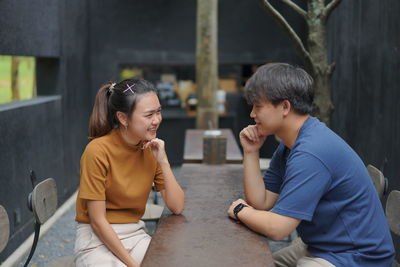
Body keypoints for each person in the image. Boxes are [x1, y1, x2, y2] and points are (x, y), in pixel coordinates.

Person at [228, 63, 395, 266]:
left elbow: (278, 229)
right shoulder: (292, 144)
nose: (252, 114)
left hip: (358, 258)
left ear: (285, 107)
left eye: (258, 106)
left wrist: (239, 210)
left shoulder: (311, 152)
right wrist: (251, 151)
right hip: (322, 247)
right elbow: (261, 202)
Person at [74, 78, 185, 267]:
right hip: (96, 240)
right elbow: (98, 221)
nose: (156, 120)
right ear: (123, 118)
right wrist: (132, 265)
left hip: (135, 234)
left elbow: (177, 206)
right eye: (149, 115)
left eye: (158, 112)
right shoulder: (97, 151)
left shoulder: (151, 149)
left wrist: (163, 161)